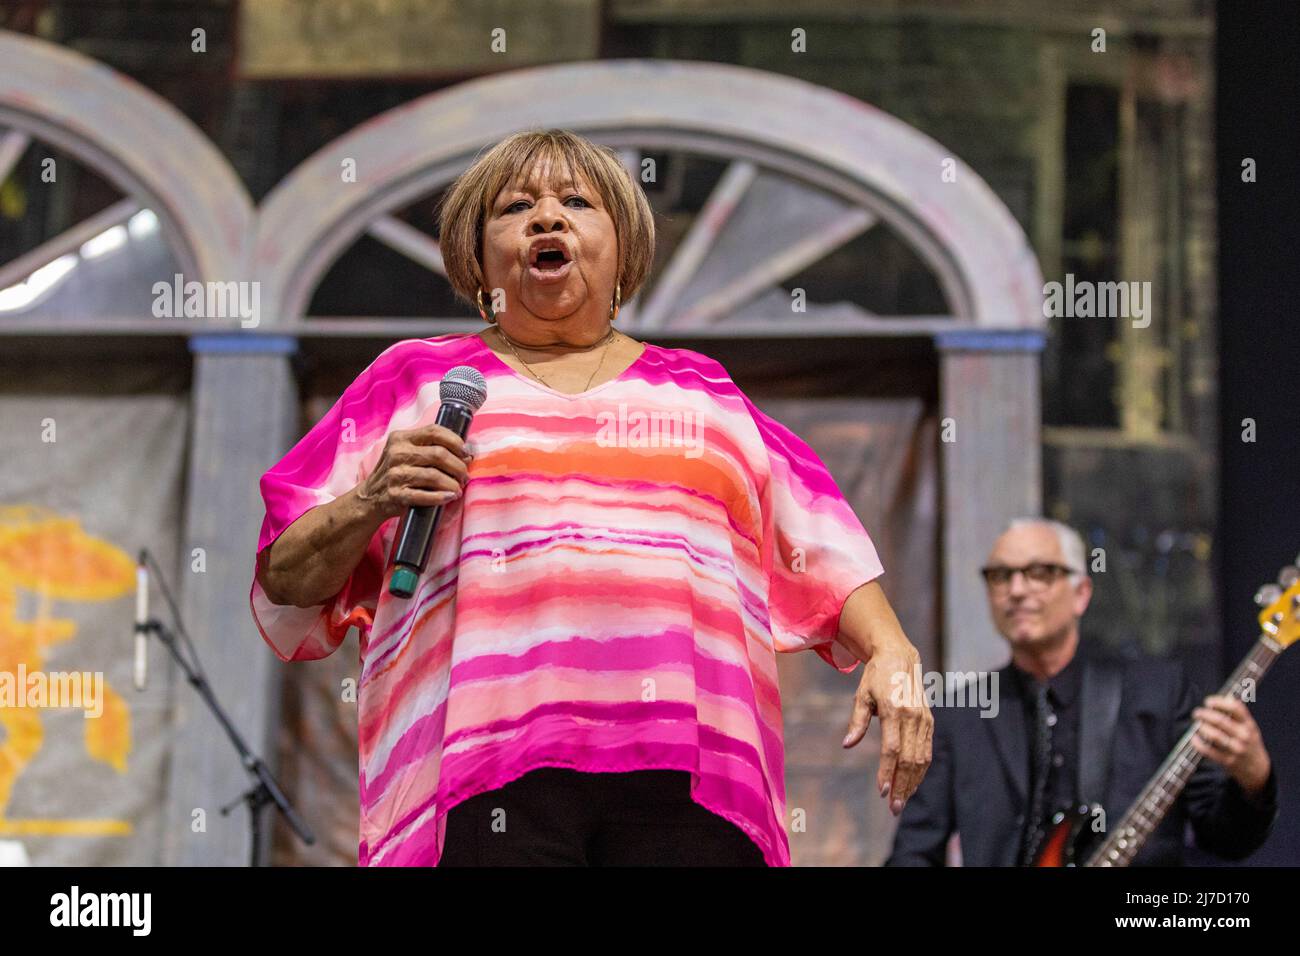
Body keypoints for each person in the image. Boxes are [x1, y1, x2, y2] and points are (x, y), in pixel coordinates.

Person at [251, 128, 932, 866]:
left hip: (693, 770)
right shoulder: (415, 379)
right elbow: (286, 577)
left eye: (576, 202)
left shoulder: (703, 391)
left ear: (623, 249)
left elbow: (820, 546)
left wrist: (892, 650)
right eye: (516, 208)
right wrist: (372, 499)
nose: (548, 218)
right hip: (487, 765)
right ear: (479, 259)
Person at [886, 517, 1279, 866]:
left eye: (1039, 572)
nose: (1017, 589)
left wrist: (1253, 780)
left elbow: (1227, 840)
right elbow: (914, 852)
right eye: (1000, 576)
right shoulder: (961, 713)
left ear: (1081, 593)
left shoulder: (1157, 693)